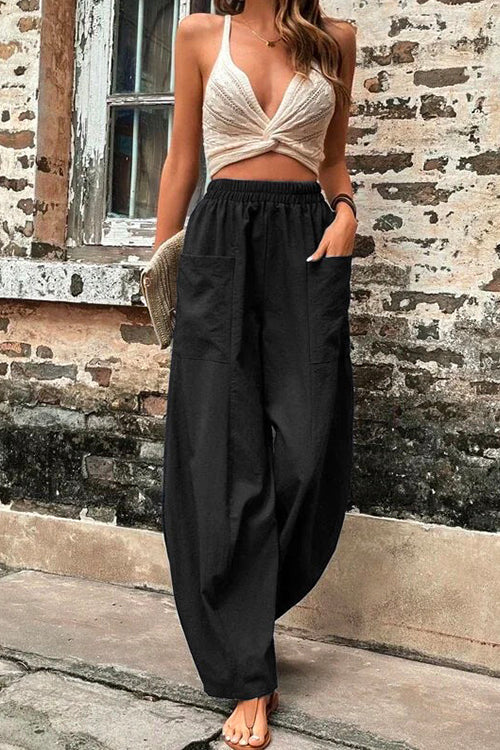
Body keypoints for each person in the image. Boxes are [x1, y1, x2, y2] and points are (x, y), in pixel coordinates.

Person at [154, 1, 357, 747]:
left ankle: (242, 613)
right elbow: (182, 161)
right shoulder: (199, 34)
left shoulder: (336, 40)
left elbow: (332, 157)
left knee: (310, 451)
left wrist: (346, 211)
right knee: (224, 456)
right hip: (219, 241)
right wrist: (161, 274)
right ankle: (250, 676)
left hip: (308, 239)